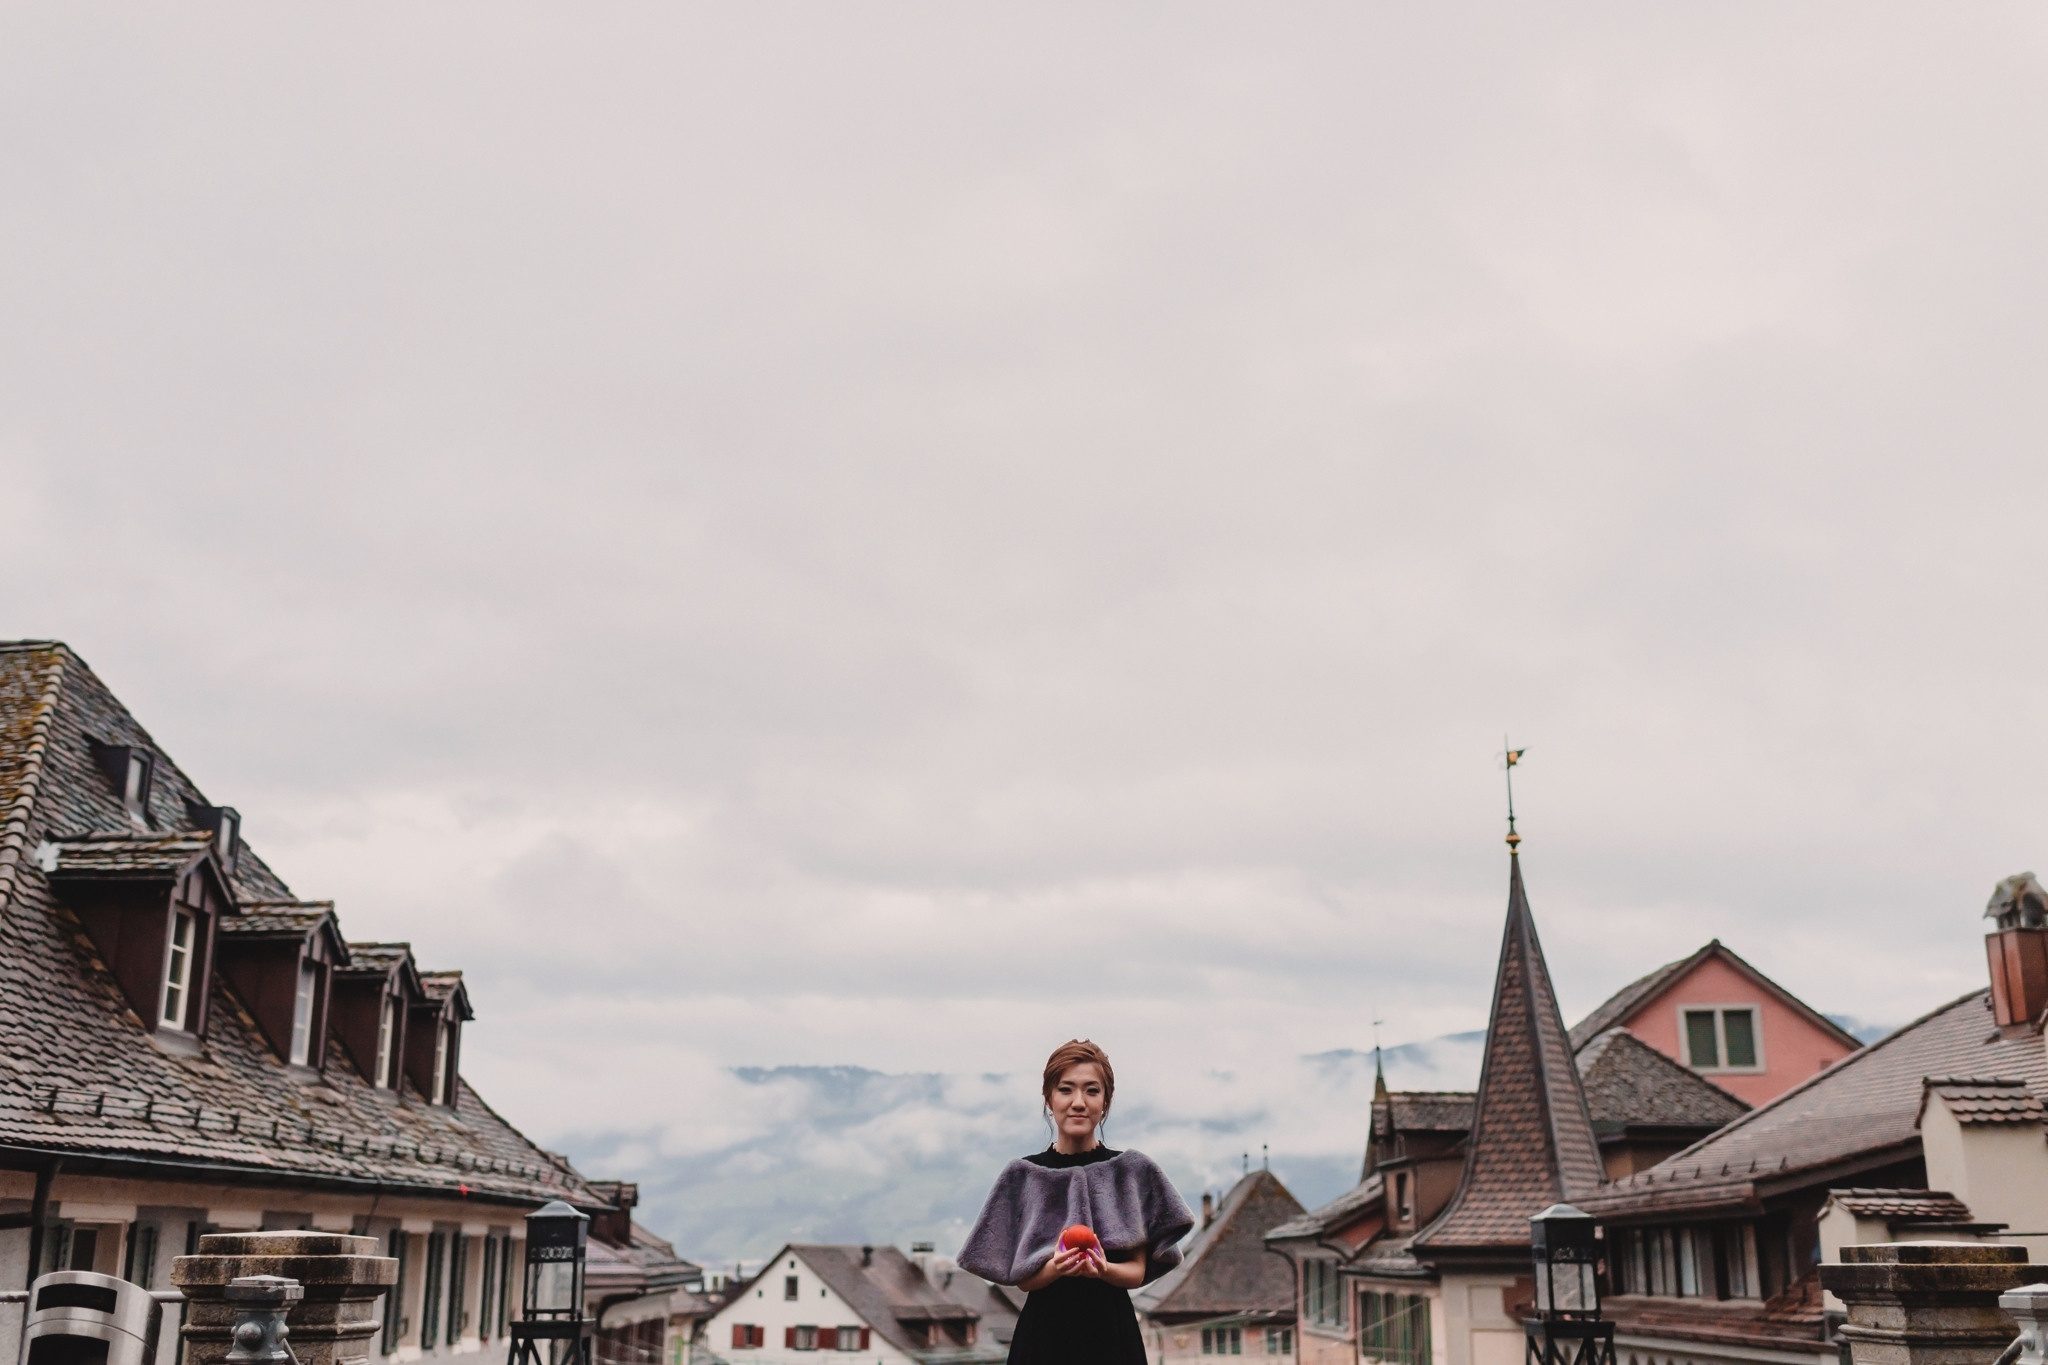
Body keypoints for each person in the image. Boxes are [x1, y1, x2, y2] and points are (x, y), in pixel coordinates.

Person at [958, 1040, 1195, 1365]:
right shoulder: (1024, 1176)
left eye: (1092, 1091)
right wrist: (1057, 1266)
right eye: (1066, 1090)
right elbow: (1024, 1280)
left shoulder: (1130, 1172)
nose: (1078, 1102)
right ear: (1049, 1099)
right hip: (1044, 1337)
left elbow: (1137, 1271)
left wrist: (1103, 1269)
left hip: (1112, 1336)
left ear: (1106, 1102)